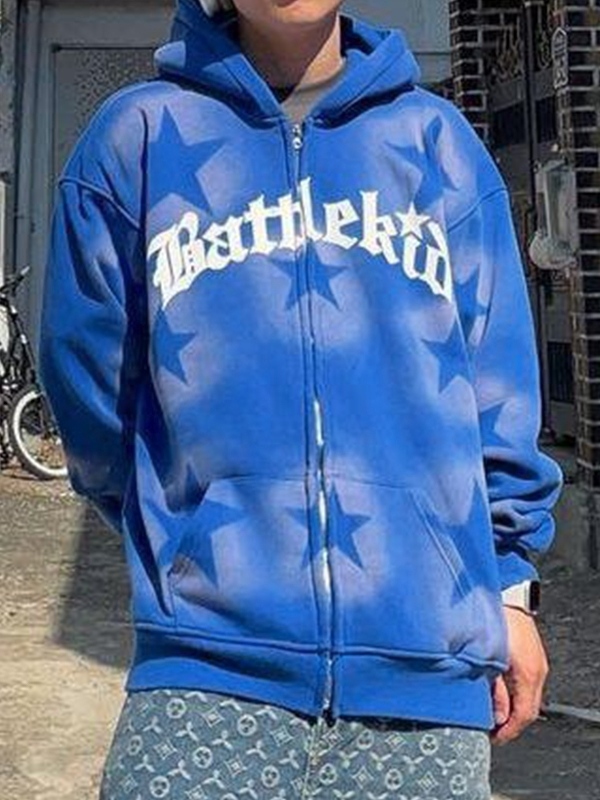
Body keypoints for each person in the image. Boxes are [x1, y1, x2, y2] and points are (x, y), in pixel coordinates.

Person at [38, 0, 565, 797]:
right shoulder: (138, 139)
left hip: (424, 678)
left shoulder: (438, 146)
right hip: (204, 676)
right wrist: (186, 529)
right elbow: (88, 381)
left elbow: (498, 390)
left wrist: (510, 589)